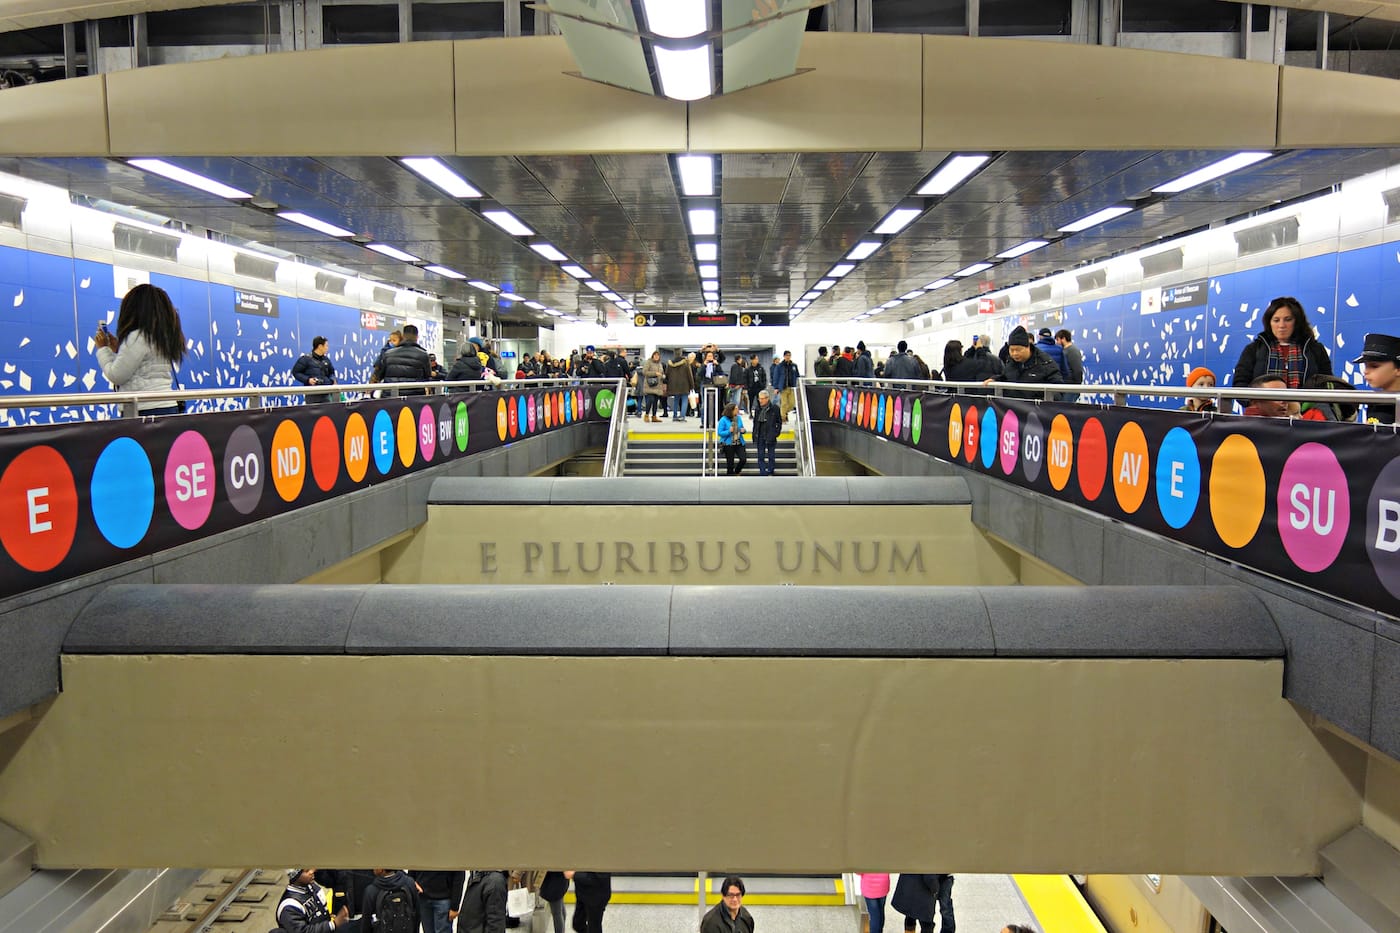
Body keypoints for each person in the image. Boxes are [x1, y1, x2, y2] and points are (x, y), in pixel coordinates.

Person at [93, 282, 187, 416]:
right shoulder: (161, 336)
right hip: (166, 406)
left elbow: (116, 376)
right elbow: (144, 368)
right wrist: (119, 350)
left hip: (142, 409)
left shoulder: (137, 337)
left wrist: (103, 349)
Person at [1231, 296, 1332, 393]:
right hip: (1263, 405)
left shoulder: (1315, 349)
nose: (1281, 325)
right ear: (1269, 322)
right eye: (1276, 320)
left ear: (1297, 322)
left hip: (1305, 405)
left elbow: (1328, 384)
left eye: (1288, 319)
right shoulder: (1254, 349)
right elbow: (1240, 384)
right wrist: (1258, 401)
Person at [988, 328, 1063, 399]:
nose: (1014, 353)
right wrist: (996, 379)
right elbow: (1006, 377)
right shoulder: (1010, 361)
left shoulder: (1045, 362)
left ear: (1028, 347)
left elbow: (1058, 388)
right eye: (1011, 350)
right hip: (1013, 406)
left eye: (1018, 350)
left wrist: (1042, 402)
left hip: (1036, 407)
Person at [279, 868, 352, 933]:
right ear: (295, 877)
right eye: (307, 871)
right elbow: (303, 931)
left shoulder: (312, 886)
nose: (313, 871)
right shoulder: (289, 906)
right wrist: (333, 924)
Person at [372, 323, 432, 394]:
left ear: (403, 336)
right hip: (414, 397)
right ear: (417, 337)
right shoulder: (423, 355)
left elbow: (379, 375)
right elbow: (428, 376)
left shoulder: (388, 354)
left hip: (391, 396)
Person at [1355, 332, 1400, 424]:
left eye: (1374, 366)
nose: (1366, 371)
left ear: (1398, 369)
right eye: (1366, 366)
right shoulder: (1375, 400)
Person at [360, 869, 418, 933]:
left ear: (381, 869)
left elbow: (366, 923)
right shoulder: (409, 882)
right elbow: (416, 914)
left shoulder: (371, 890)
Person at [752, 389, 782, 476]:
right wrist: (754, 434)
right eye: (759, 399)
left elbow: (779, 422)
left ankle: (770, 470)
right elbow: (755, 423)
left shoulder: (775, 408)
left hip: (770, 434)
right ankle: (763, 472)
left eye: (762, 399)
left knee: (771, 455)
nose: (760, 400)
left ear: (767, 398)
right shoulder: (758, 409)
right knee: (760, 455)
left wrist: (776, 433)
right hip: (760, 434)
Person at [718, 403, 748, 475]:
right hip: (728, 444)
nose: (738, 410)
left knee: (743, 459)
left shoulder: (738, 418)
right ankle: (730, 475)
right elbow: (720, 432)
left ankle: (737, 471)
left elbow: (742, 427)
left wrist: (743, 430)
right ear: (731, 410)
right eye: (736, 409)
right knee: (730, 463)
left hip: (739, 442)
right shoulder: (723, 420)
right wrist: (729, 431)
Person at [665, 349, 694, 422]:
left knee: (676, 400)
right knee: (684, 400)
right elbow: (689, 374)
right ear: (681, 353)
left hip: (674, 385)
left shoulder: (670, 363)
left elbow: (667, 374)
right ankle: (682, 416)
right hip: (684, 384)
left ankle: (675, 416)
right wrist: (692, 385)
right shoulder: (685, 362)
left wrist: (667, 384)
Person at [771, 350, 801, 420]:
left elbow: (797, 376)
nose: (788, 357)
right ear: (784, 356)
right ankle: (783, 418)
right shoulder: (779, 366)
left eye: (789, 355)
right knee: (784, 403)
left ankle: (784, 412)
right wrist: (776, 387)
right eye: (787, 355)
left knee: (791, 404)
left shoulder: (794, 366)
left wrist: (798, 385)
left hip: (792, 387)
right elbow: (776, 377)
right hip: (783, 387)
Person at [1054, 328, 1083, 400]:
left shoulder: (1073, 351)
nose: (1056, 342)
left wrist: (1077, 387)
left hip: (1071, 388)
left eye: (1057, 340)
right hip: (1065, 387)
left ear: (1063, 339)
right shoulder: (1064, 351)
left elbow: (1077, 370)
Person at [640, 350, 667, 422]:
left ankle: (654, 416)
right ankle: (646, 415)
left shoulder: (660, 364)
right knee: (650, 400)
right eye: (655, 355)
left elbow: (662, 372)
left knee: (655, 401)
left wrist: (663, 376)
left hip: (658, 385)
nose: (656, 357)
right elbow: (644, 372)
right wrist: (655, 373)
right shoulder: (648, 362)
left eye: (658, 355)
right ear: (652, 356)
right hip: (650, 385)